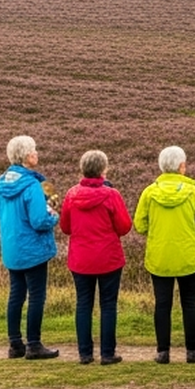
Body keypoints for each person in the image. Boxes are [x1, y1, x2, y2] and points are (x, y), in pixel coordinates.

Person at [133, 145, 195, 363]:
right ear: (181, 167)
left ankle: (163, 352)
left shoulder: (149, 193)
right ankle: (192, 352)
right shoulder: (194, 193)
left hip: (159, 257)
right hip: (189, 256)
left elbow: (139, 226)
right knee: (190, 303)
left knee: (162, 304)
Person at [59, 149, 133, 365]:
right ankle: (108, 354)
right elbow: (125, 226)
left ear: (83, 169)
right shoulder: (112, 195)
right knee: (108, 305)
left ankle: (85, 354)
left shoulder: (71, 195)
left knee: (83, 304)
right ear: (103, 170)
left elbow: (65, 227)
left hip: (80, 260)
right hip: (108, 258)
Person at [0, 135, 60, 360]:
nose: (37, 153)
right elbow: (39, 221)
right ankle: (34, 344)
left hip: (12, 247)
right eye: (33, 150)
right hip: (33, 250)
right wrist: (54, 217)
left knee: (16, 295)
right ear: (25, 156)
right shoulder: (33, 185)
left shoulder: (2, 181)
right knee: (36, 296)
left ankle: (15, 344)